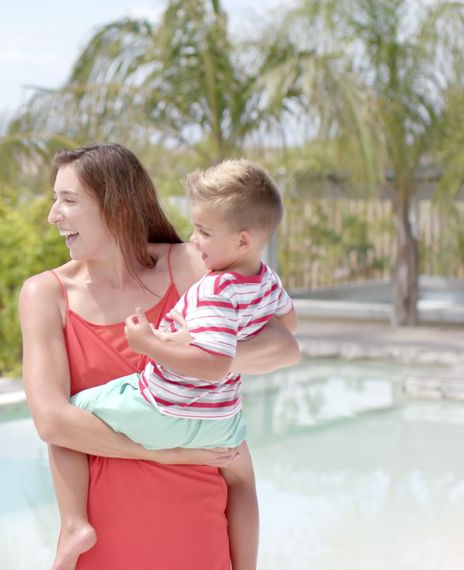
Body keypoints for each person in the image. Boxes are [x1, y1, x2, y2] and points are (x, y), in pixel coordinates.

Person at [20, 144, 300, 570]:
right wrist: (165, 451)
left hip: (200, 527)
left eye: (68, 200)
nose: (53, 215)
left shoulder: (192, 267)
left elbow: (284, 344)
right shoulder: (45, 295)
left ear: (115, 205)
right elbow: (52, 421)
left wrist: (208, 355)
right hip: (102, 543)